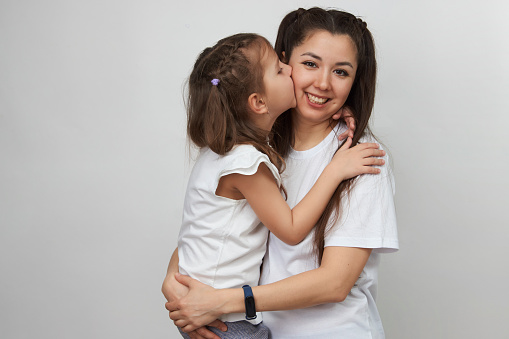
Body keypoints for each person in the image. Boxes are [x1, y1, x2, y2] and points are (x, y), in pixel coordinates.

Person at [164, 31, 386, 339]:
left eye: (340, 72)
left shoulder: (359, 156)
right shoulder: (253, 157)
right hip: (236, 321)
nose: (322, 83)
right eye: (305, 64)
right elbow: (214, 227)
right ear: (257, 101)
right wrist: (174, 279)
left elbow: (335, 282)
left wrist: (201, 291)